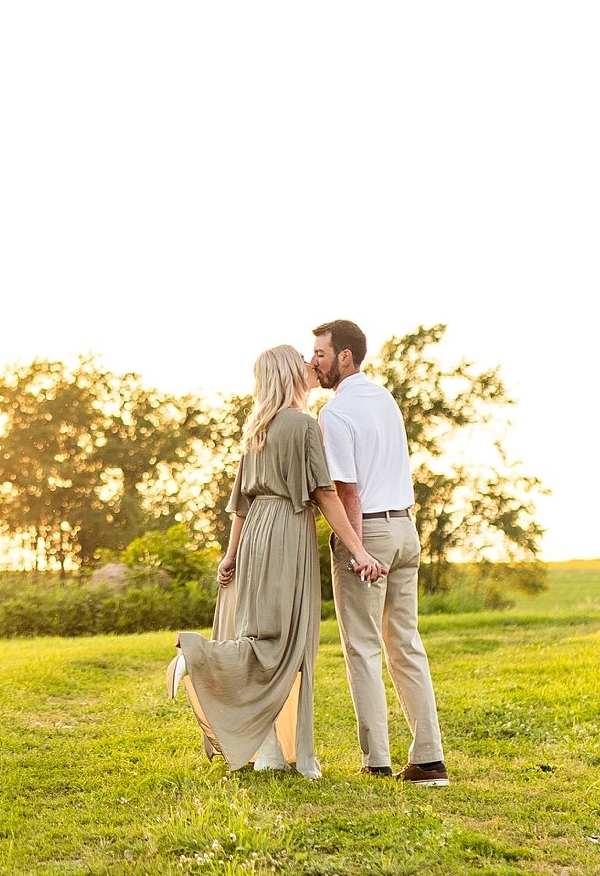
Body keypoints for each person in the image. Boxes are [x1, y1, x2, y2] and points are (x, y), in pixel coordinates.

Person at [168, 344, 385, 777]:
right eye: (303, 362)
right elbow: (325, 496)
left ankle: (270, 753)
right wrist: (359, 549)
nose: (311, 365)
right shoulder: (304, 427)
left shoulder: (256, 430)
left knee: (264, 636)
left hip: (254, 536)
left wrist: (230, 556)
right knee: (286, 645)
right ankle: (197, 656)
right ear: (289, 373)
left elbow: (241, 506)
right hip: (288, 532)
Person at [311, 318, 448, 785]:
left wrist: (354, 547)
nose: (315, 363)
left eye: (321, 355)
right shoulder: (385, 399)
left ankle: (376, 761)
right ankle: (430, 759)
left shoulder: (334, 413)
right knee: (406, 645)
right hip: (406, 530)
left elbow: (347, 491)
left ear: (344, 356)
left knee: (364, 648)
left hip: (367, 533)